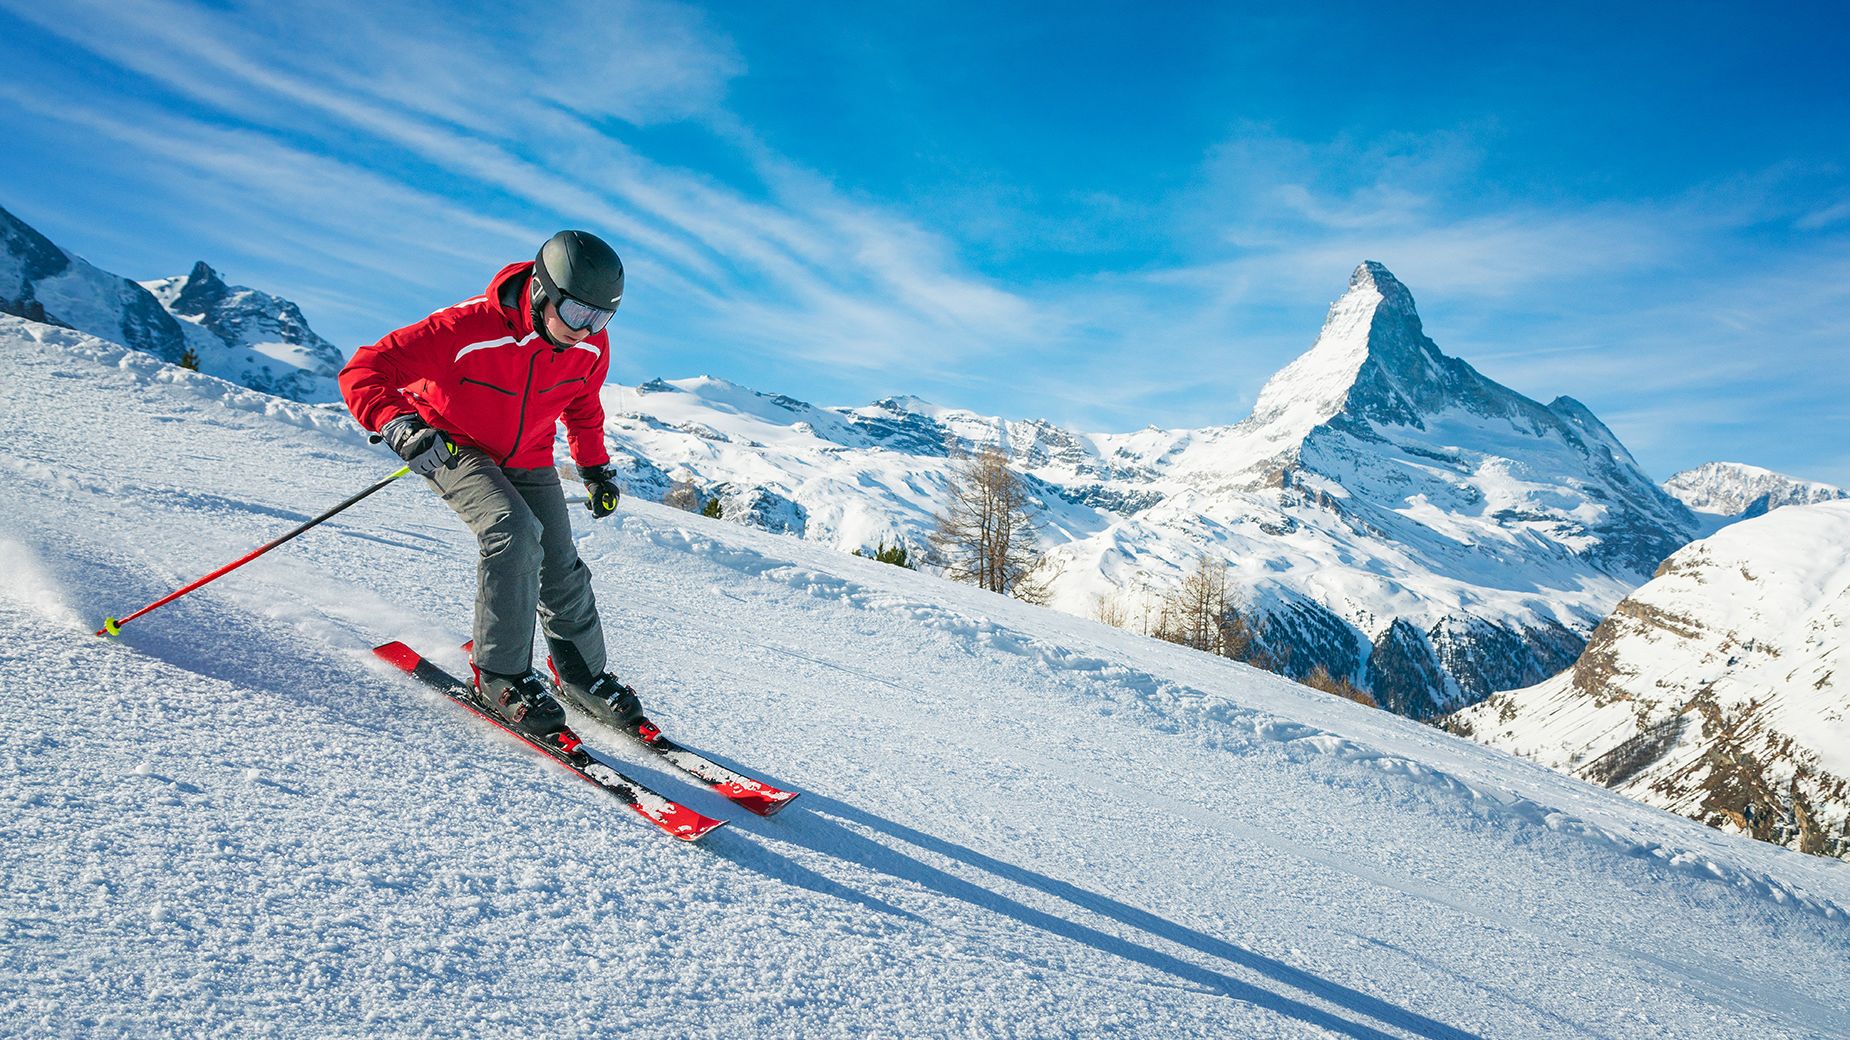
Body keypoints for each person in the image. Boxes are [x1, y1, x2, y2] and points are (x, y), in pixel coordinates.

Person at [339, 230, 645, 738]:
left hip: (528, 455)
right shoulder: (466, 326)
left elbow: (582, 406)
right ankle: (500, 674)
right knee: (512, 531)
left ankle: (583, 677)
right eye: (576, 314)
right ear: (543, 291)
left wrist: (594, 468)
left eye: (600, 318)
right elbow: (366, 368)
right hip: (453, 445)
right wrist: (396, 423)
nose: (585, 330)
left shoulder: (589, 347)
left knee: (562, 561)